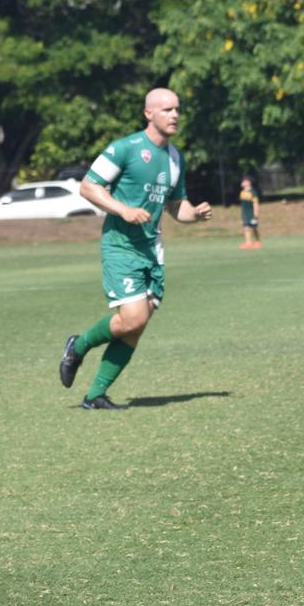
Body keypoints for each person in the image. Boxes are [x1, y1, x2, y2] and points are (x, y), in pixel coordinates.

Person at [59, 87, 213, 410]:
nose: (174, 115)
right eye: (167, 109)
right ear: (149, 113)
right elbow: (89, 186)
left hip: (152, 250)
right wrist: (123, 210)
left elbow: (176, 207)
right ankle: (79, 345)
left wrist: (195, 215)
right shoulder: (125, 148)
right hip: (120, 245)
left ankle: (94, 395)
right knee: (133, 317)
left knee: (136, 327)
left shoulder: (175, 158)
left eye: (177, 109)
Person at [238, 176, 262, 249]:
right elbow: (243, 205)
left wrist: (256, 213)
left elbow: (255, 203)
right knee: (246, 228)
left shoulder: (253, 192)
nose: (242, 183)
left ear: (248, 183)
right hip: (245, 214)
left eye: (244, 181)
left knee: (254, 228)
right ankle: (248, 243)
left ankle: (258, 242)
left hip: (251, 213)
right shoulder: (242, 192)